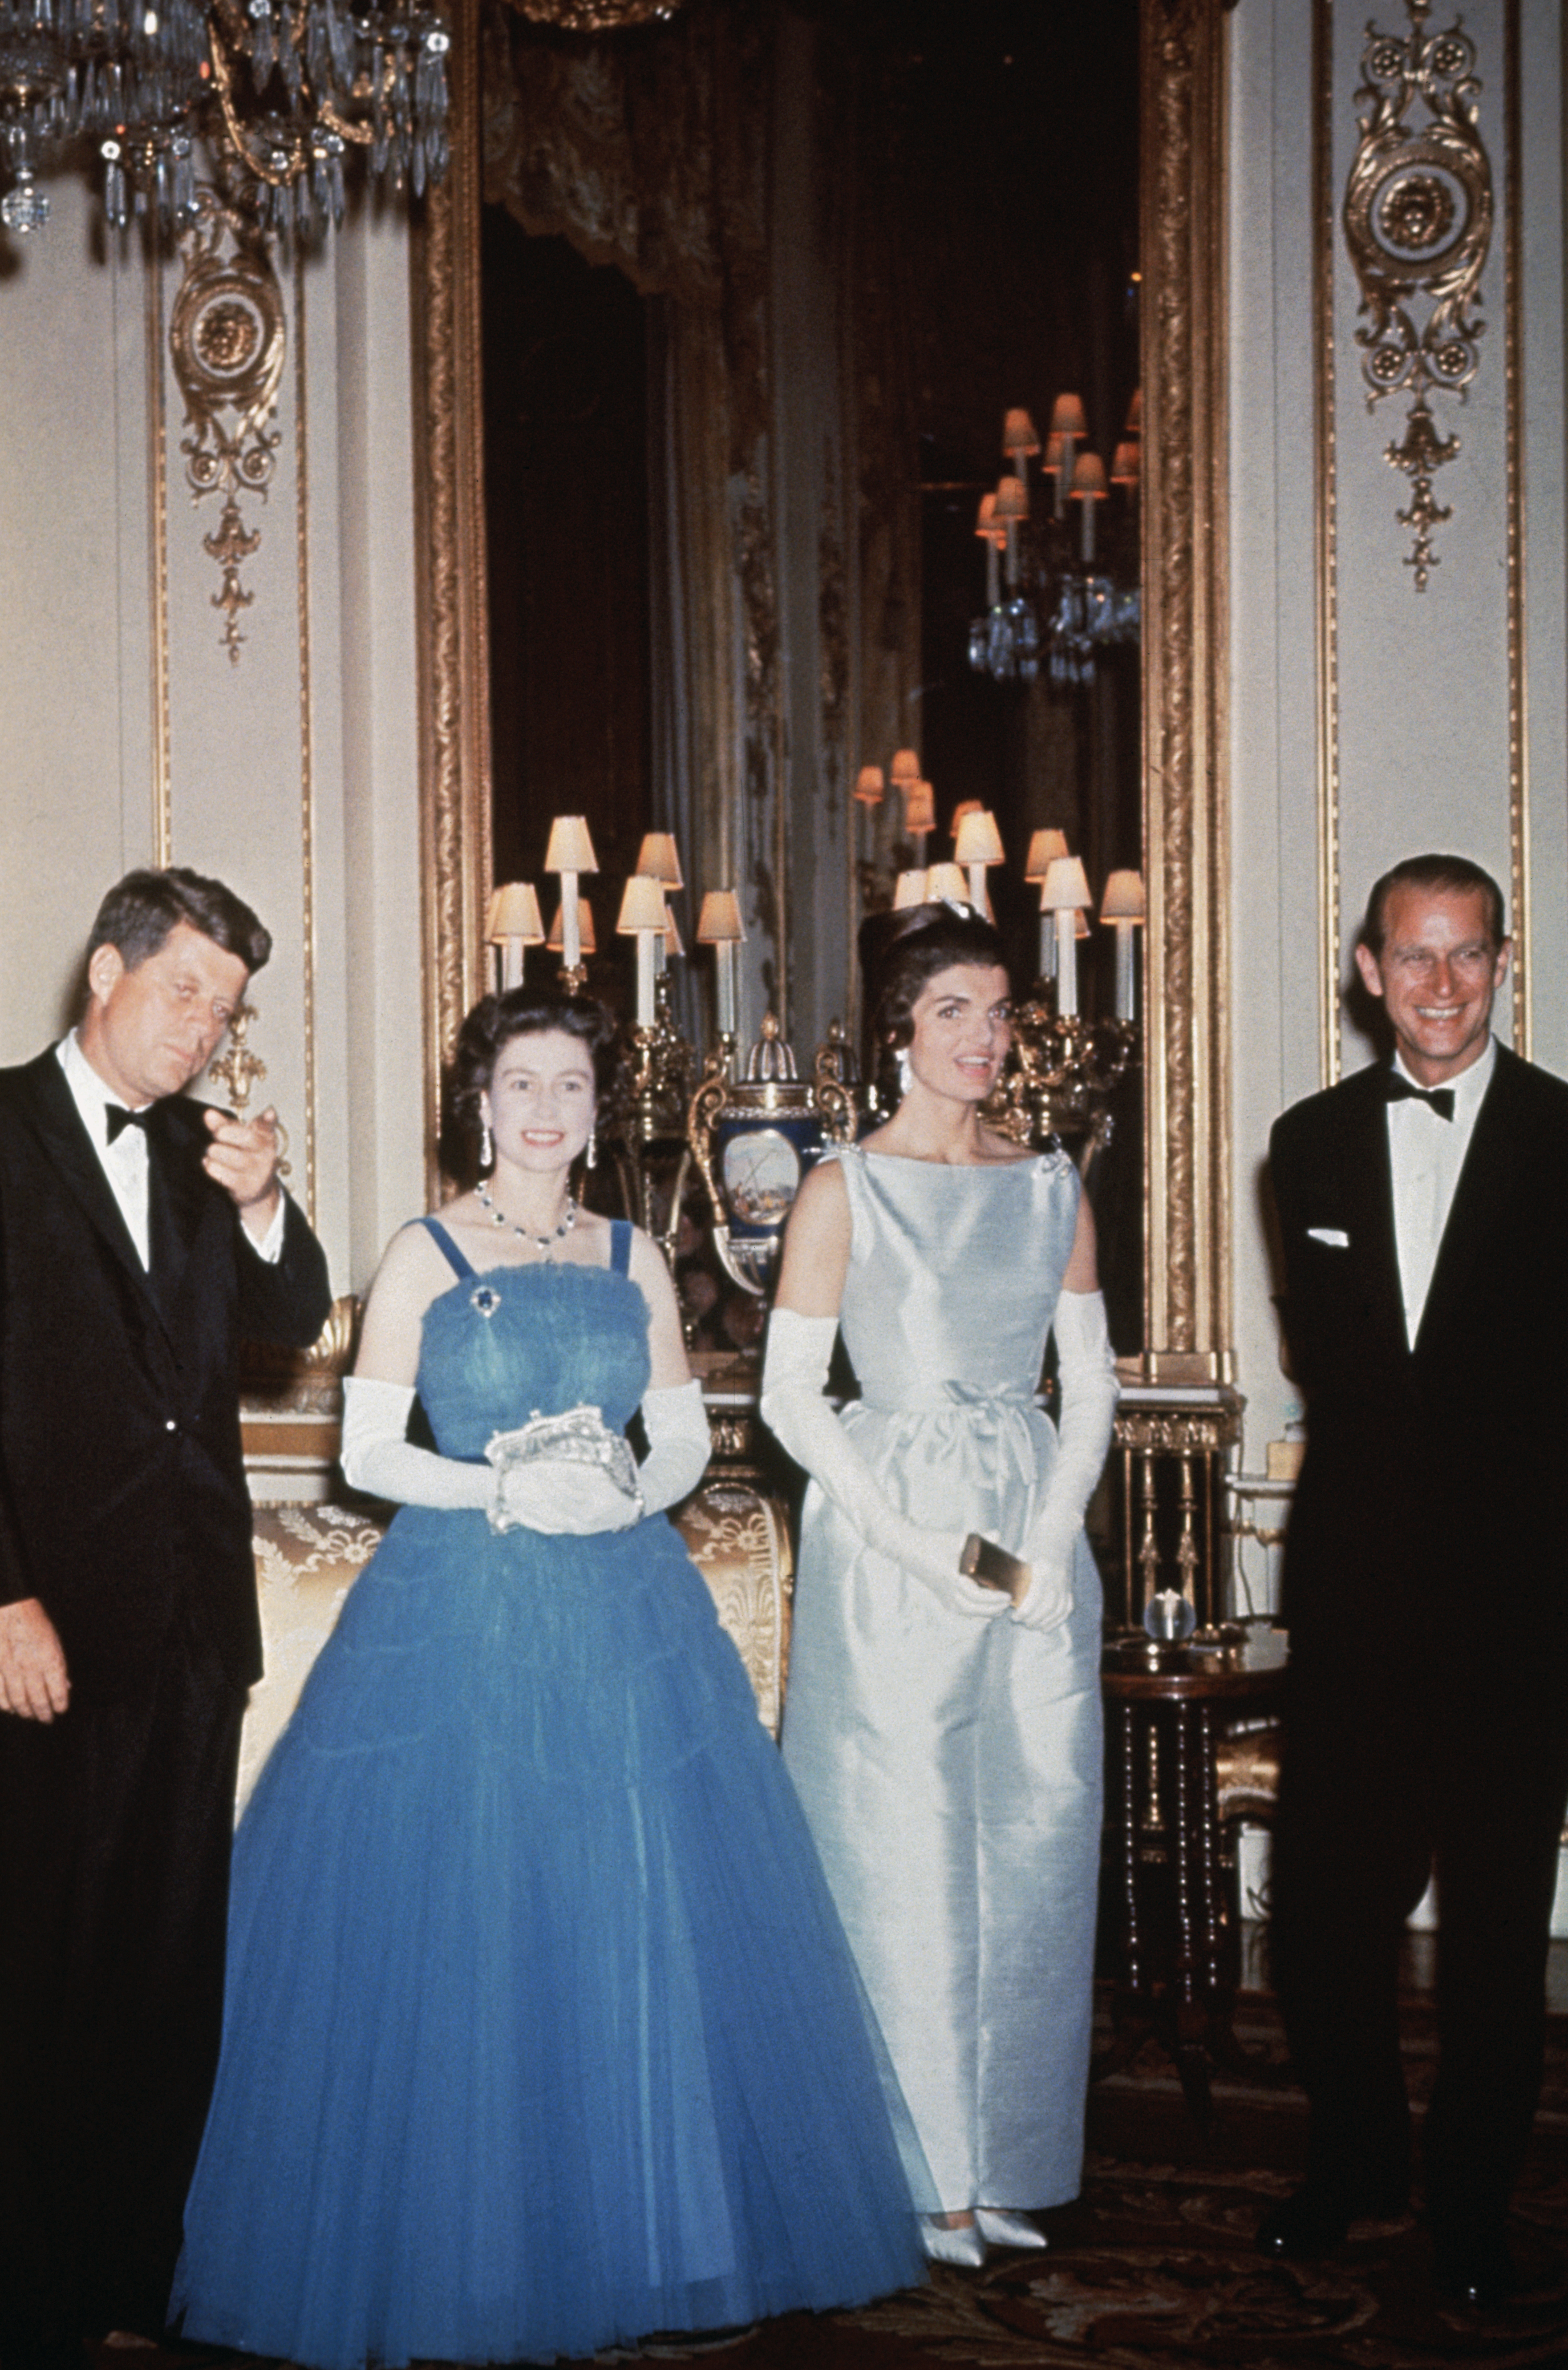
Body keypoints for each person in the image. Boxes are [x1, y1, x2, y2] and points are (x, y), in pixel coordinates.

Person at [169, 985, 925, 2369]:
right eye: (521, 1083)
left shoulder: (636, 1251)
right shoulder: (422, 1251)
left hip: (620, 1607)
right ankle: (465, 2246)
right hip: (460, 1602)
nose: (544, 1110)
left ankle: (647, 2230)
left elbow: (693, 1435)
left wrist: (629, 1490)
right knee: (469, 1920)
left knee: (627, 1905)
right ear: (479, 1101)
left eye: (570, 1086)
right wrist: (508, 1483)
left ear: (594, 1109)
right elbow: (370, 1455)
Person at [0, 867, 332, 2370]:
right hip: (43, 1622)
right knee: (44, 1975)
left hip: (197, 1626)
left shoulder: (205, 1153)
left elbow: (286, 1325)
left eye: (227, 1009)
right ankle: (44, 2306)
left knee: (169, 1974)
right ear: (105, 972)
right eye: (184, 990)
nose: (204, 1030)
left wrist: (263, 1206)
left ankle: (138, 2266)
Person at [762, 901, 1120, 2267]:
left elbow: (1083, 1383)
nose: (983, 1036)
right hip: (892, 1537)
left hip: (1032, 1538)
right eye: (951, 1011)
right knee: (903, 1851)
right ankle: (921, 2172)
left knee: (1035, 1833)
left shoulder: (1049, 1184)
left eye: (998, 1008)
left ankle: (1009, 2154)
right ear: (899, 1034)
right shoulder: (842, 1184)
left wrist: (1047, 1534)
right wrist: (917, 1546)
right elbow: (793, 1398)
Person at [1262, 853, 1568, 2307]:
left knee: (1495, 1943)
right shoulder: (1308, 1143)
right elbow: (1339, 1374)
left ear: (1499, 964)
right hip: (1355, 1602)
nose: (1440, 984)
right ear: (1368, 969)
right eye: (1414, 957)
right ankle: (1355, 2164)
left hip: (1519, 1611)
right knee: (1327, 1919)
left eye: (1467, 956)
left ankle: (1468, 2212)